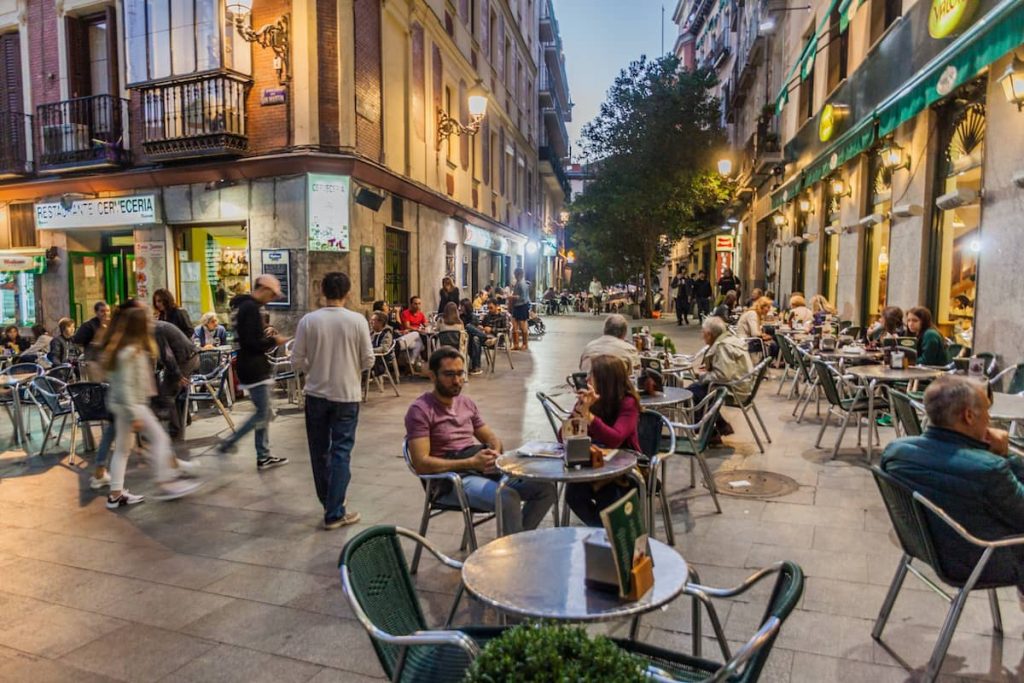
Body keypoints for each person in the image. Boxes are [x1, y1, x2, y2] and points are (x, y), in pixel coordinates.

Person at [881, 375, 1024, 600]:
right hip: (978, 559)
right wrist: (1008, 457)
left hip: (922, 545)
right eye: (987, 411)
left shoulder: (895, 451)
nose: (990, 418)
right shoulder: (990, 470)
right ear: (968, 416)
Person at [405, 347, 556, 534]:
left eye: (460, 373)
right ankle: (516, 552)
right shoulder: (420, 410)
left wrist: (494, 452)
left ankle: (517, 542)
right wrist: (470, 462)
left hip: (478, 469)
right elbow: (421, 464)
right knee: (507, 498)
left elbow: (490, 437)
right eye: (449, 374)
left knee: (546, 488)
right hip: (449, 482)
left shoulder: (466, 403)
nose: (457, 380)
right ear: (433, 376)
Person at [291, 272, 373, 530]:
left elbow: (296, 359)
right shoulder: (357, 321)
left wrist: (313, 368)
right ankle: (334, 510)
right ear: (348, 293)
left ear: (321, 291)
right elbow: (368, 359)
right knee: (341, 452)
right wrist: (350, 369)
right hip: (347, 396)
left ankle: (330, 503)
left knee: (319, 452)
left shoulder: (308, 321)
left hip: (315, 394)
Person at [103, 306, 200, 508]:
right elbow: (126, 386)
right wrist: (134, 415)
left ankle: (116, 493)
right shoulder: (132, 352)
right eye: (147, 320)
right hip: (132, 405)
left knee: (122, 449)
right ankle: (166, 483)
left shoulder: (121, 348)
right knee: (160, 438)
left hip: (123, 406)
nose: (151, 323)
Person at [214, 275, 289, 470]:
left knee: (264, 412)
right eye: (271, 294)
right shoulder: (250, 309)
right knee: (263, 413)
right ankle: (229, 443)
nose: (271, 298)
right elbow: (252, 343)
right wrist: (274, 341)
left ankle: (263, 455)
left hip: (251, 365)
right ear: (263, 288)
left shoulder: (244, 306)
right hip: (253, 366)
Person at [564, 355, 643, 526]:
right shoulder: (590, 401)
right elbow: (562, 436)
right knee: (573, 493)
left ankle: (610, 535)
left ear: (605, 380)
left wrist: (589, 416)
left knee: (608, 494)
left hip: (625, 468)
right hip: (595, 464)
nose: (586, 379)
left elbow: (615, 439)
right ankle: (603, 532)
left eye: (591, 375)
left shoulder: (628, 403)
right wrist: (578, 413)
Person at [688, 317, 753, 438]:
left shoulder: (722, 346)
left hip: (734, 390)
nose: (702, 336)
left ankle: (708, 434)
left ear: (709, 334)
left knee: (691, 393)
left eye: (703, 333)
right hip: (742, 385)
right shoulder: (730, 339)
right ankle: (721, 425)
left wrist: (703, 376)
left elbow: (723, 375)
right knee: (697, 388)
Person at [154, 318, 200, 447]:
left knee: (166, 393)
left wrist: (178, 375)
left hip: (185, 359)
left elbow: (166, 355)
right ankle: (185, 419)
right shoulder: (158, 326)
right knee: (171, 389)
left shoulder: (155, 330)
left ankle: (174, 431)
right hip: (190, 356)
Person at [73, 301, 111, 377]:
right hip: (94, 362)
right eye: (102, 311)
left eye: (107, 311)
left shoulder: (113, 324)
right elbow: (77, 340)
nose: (106, 313)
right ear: (96, 312)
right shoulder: (88, 325)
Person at [398, 295, 428, 367]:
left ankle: (410, 363)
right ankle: (422, 359)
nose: (417, 306)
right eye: (415, 304)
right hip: (406, 336)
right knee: (416, 334)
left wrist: (427, 325)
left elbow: (426, 324)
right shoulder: (406, 313)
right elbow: (407, 326)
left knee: (419, 344)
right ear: (411, 304)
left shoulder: (420, 314)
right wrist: (418, 329)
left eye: (419, 304)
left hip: (416, 338)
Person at [459, 299, 487, 375]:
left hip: (471, 337)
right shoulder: (460, 316)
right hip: (464, 337)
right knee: (474, 336)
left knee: (474, 336)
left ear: (465, 307)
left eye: (462, 306)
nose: (460, 307)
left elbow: (474, 329)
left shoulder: (473, 317)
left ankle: (476, 367)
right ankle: (484, 336)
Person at [509, 268, 531, 351]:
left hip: (522, 306)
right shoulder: (518, 283)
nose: (514, 276)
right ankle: (516, 344)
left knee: (522, 326)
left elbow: (521, 297)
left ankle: (525, 344)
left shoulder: (522, 284)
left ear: (519, 274)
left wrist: (510, 297)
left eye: (515, 274)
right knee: (514, 325)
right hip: (517, 306)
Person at [369, 311, 396, 379]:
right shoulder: (372, 333)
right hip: (371, 355)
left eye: (373, 320)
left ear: (380, 322)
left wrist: (369, 350)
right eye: (371, 320)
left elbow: (384, 348)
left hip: (380, 359)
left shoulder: (386, 334)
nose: (370, 322)